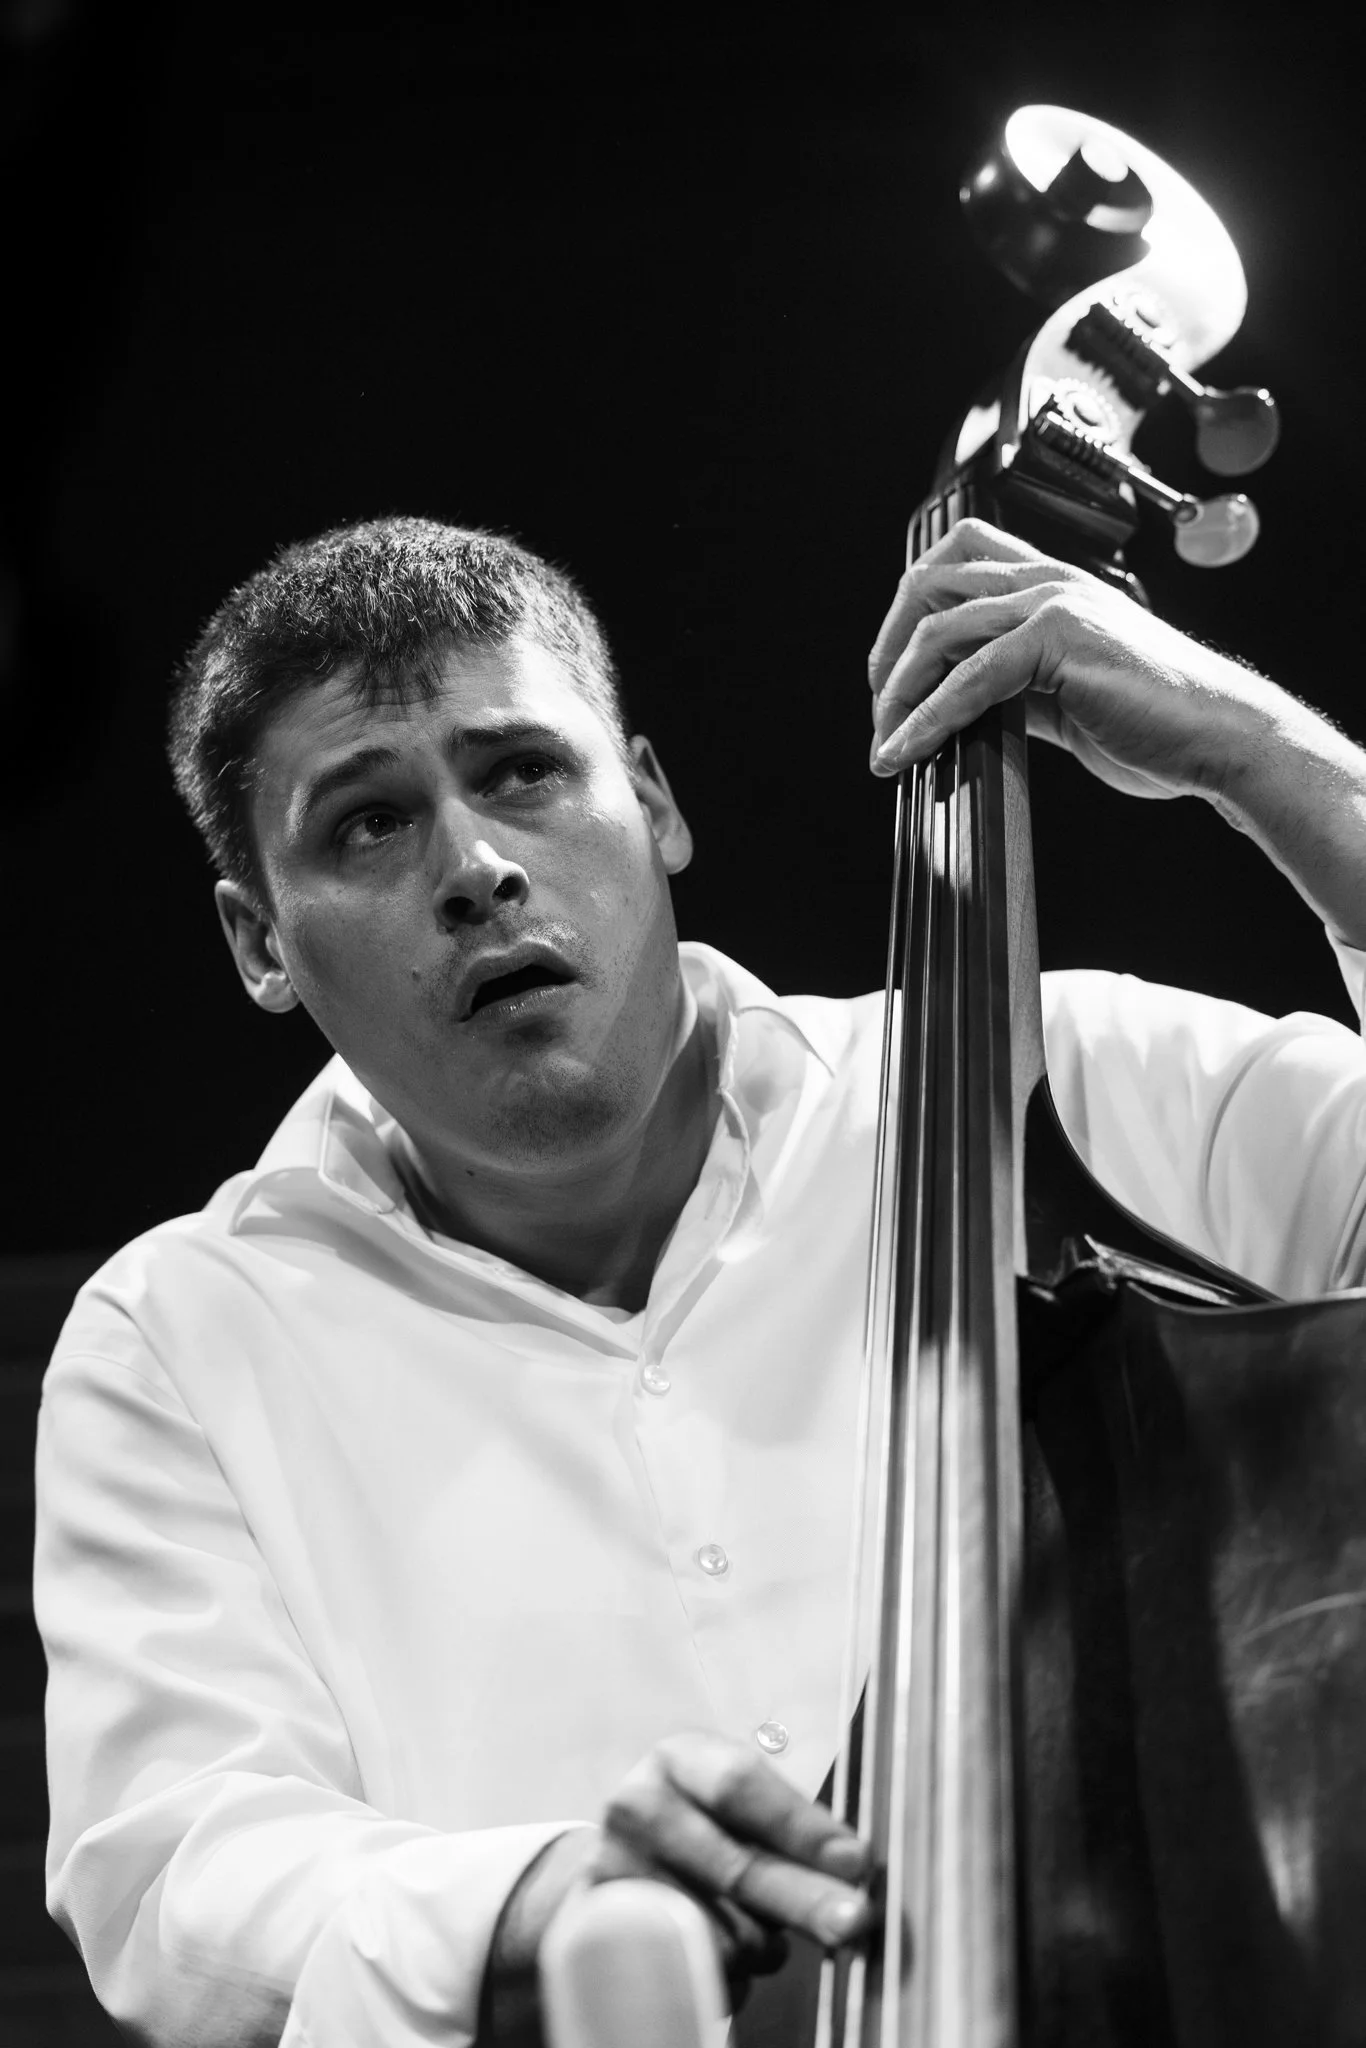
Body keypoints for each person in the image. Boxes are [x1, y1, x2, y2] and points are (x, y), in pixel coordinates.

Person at [33, 512, 1366, 2048]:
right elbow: (177, 1870)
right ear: (260, 943)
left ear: (652, 802)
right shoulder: (176, 1339)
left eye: (521, 772)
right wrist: (545, 1900)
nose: (476, 869)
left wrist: (1266, 759)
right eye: (368, 825)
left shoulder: (1072, 1084)